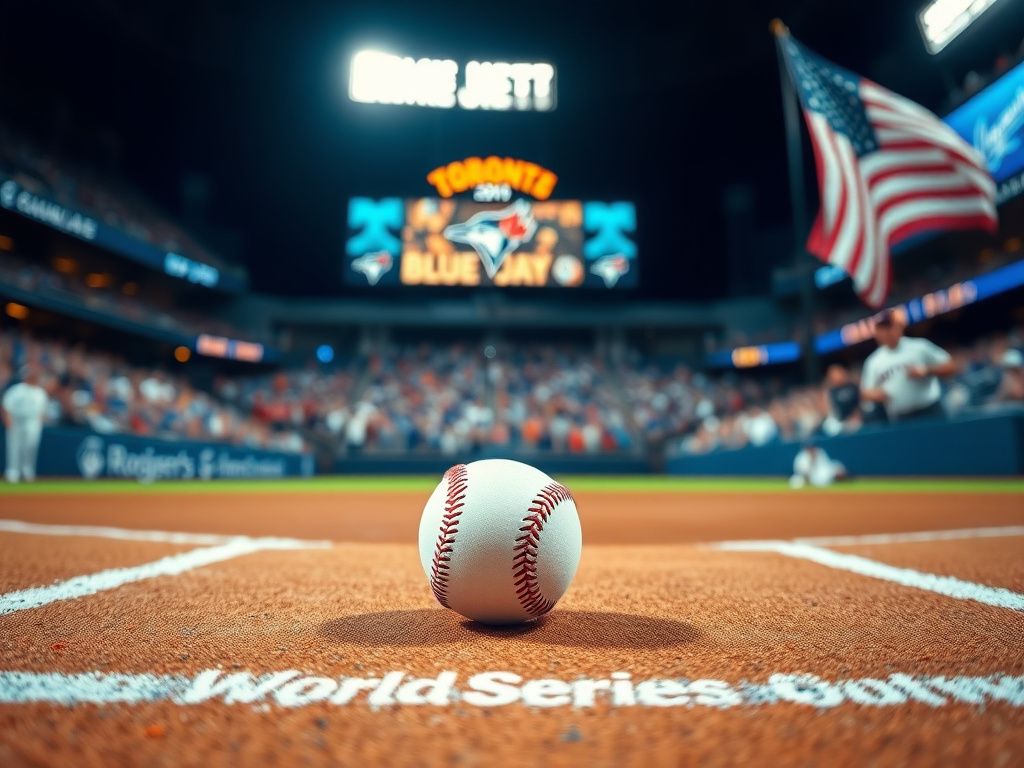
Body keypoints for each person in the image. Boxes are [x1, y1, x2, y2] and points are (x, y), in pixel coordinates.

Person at [860, 311, 958, 422]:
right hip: (901, 417)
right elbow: (866, 393)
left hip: (930, 409)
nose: (886, 333)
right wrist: (877, 394)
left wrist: (926, 370)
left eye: (889, 327)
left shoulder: (919, 346)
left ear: (899, 327)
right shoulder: (873, 361)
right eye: (881, 329)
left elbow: (951, 366)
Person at [2, 364, 49, 483]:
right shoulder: (17, 389)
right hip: (17, 420)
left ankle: (28, 471)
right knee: (14, 447)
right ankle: (13, 471)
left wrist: (39, 422)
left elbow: (43, 410)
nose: (33, 376)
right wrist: (7, 419)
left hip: (32, 422)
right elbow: (6, 405)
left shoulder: (40, 392)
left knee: (30, 448)